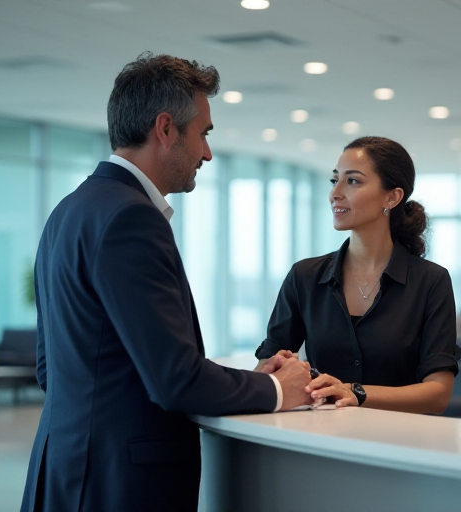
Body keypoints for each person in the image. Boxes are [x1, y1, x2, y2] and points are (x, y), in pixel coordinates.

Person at [20, 53, 313, 512]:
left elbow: (50, 369)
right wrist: (281, 390)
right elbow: (174, 380)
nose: (208, 153)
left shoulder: (68, 210)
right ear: (165, 128)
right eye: (204, 134)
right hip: (119, 485)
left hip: (63, 472)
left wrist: (245, 380)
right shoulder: (131, 219)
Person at [255, 136, 459, 414]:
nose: (335, 193)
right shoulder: (305, 276)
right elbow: (268, 365)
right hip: (321, 437)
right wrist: (275, 366)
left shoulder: (431, 282)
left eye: (352, 181)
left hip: (403, 442)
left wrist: (355, 392)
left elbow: (438, 393)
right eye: (334, 180)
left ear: (392, 196)